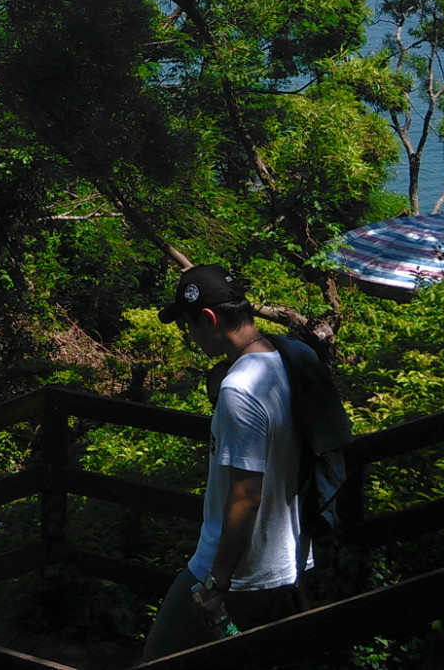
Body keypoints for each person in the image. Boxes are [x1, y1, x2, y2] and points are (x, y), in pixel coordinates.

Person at [142, 266, 310, 660]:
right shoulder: (283, 361)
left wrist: (218, 583)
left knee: (157, 660)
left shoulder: (240, 389)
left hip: (238, 574)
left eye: (188, 326)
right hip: (286, 561)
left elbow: (245, 496)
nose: (190, 338)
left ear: (209, 319)